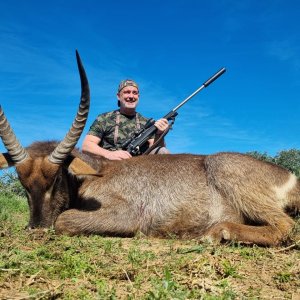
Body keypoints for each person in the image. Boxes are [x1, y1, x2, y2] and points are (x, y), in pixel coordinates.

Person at [82, 79, 170, 160]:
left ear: (138, 96)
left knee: (163, 151)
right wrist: (109, 154)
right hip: (111, 164)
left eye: (134, 93)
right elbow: (86, 146)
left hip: (140, 165)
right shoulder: (104, 118)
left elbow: (156, 150)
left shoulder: (147, 122)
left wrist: (160, 135)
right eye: (127, 92)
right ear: (118, 96)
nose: (131, 96)